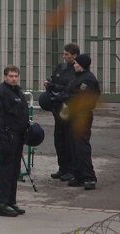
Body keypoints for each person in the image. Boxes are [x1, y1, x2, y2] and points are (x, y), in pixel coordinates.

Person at [55, 53, 100, 189]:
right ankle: (79, 175)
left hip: (82, 116)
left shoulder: (88, 80)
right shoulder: (78, 77)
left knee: (81, 146)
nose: (74, 65)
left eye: (76, 64)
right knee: (73, 145)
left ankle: (89, 177)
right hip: (73, 115)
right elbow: (70, 91)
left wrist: (64, 97)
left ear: (82, 65)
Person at [0, 66, 30, 217]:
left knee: (14, 171)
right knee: (5, 171)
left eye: (16, 76)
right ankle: (1, 204)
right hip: (7, 137)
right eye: (11, 76)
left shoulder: (18, 92)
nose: (13, 78)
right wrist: (2, 137)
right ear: (5, 77)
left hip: (18, 137)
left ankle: (11, 201)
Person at [43, 43, 79, 181]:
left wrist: (55, 86)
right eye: (63, 54)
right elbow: (54, 80)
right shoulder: (60, 67)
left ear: (74, 55)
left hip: (70, 108)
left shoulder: (76, 70)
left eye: (67, 55)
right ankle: (62, 167)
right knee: (59, 140)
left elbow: (69, 88)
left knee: (69, 139)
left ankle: (72, 169)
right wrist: (49, 84)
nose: (64, 57)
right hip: (57, 108)